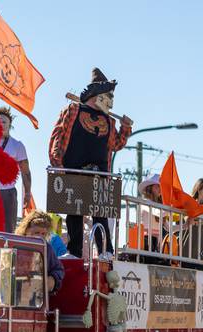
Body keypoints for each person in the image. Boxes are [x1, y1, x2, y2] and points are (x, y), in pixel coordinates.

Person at [49, 67, 132, 258]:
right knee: (74, 213)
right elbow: (59, 137)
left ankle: (105, 251)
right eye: (108, 96)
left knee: (100, 213)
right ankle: (74, 252)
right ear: (98, 96)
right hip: (73, 171)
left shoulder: (109, 121)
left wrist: (125, 128)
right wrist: (57, 163)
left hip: (99, 174)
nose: (111, 101)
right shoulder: (73, 110)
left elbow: (116, 144)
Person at [0, 107, 32, 233]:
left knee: (7, 229)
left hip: (8, 192)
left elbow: (25, 171)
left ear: (10, 124)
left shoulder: (17, 145)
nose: (1, 124)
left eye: (4, 122)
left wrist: (27, 193)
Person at [15, 210, 65, 294]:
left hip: (38, 299)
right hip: (14, 294)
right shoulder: (15, 245)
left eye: (43, 234)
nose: (40, 237)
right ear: (26, 230)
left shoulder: (47, 249)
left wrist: (52, 279)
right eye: (36, 232)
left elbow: (58, 269)